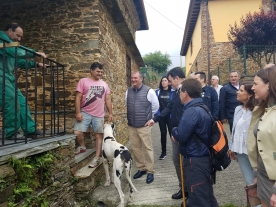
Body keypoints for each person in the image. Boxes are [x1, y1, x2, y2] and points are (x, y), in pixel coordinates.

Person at [171, 78, 218, 207]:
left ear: (185, 93)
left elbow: (181, 135)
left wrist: (174, 130)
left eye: (180, 91)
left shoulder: (191, 111)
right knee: (206, 196)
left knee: (198, 198)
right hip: (203, 157)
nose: (179, 94)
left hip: (195, 160)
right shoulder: (203, 107)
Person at [145, 67, 188, 204]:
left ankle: (190, 194)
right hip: (177, 133)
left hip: (184, 134)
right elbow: (169, 108)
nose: (168, 83)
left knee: (185, 164)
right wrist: (154, 119)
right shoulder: (176, 92)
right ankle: (183, 189)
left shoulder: (186, 90)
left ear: (177, 78)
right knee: (177, 162)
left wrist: (180, 132)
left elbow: (187, 114)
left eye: (170, 81)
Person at [0, 22, 47, 139]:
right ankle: (10, 132)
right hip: (1, 77)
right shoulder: (2, 41)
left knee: (22, 102)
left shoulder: (10, 45)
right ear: (9, 30)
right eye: (18, 35)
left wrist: (36, 64)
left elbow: (18, 62)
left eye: (20, 37)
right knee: (11, 100)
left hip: (8, 78)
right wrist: (34, 53)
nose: (19, 39)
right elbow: (15, 52)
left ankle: (30, 130)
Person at [74, 62, 113, 168]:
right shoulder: (83, 81)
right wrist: (78, 112)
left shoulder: (104, 84)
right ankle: (82, 146)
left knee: (98, 136)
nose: (100, 73)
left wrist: (110, 113)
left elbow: (108, 99)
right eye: (98, 71)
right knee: (77, 132)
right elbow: (78, 97)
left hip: (99, 115)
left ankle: (97, 158)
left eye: (101, 72)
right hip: (85, 112)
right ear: (91, 70)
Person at [247, 65, 276, 207]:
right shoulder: (264, 109)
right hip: (264, 176)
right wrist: (257, 172)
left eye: (256, 84)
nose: (252, 87)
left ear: (269, 85)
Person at [228, 82, 261, 207]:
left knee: (261, 182)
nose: (237, 92)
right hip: (240, 152)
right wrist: (232, 147)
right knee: (250, 182)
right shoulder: (237, 109)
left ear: (249, 95)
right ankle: (254, 204)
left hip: (254, 152)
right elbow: (234, 129)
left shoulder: (258, 111)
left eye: (241, 90)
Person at [125, 71, 159, 184]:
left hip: (144, 126)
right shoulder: (128, 91)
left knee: (147, 148)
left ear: (141, 79)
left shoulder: (149, 91)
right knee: (136, 148)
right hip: (132, 126)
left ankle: (150, 171)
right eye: (132, 78)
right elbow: (127, 105)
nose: (133, 80)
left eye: (135, 78)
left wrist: (151, 118)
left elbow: (155, 106)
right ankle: (141, 168)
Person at [154, 76, 173, 160]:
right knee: (163, 134)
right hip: (161, 116)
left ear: (168, 82)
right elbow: (155, 104)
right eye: (162, 81)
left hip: (170, 116)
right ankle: (163, 152)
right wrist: (157, 115)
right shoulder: (158, 92)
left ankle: (176, 151)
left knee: (172, 134)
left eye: (165, 80)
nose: (163, 82)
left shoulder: (173, 91)